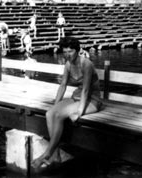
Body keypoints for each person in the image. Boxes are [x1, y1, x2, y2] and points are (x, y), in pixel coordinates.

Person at [31, 37, 103, 171]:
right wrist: (56, 104)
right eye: (64, 52)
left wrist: (79, 113)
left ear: (78, 50)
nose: (67, 55)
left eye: (70, 51)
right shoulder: (68, 64)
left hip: (92, 100)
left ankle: (47, 154)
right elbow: (63, 85)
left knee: (58, 116)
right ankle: (56, 153)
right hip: (77, 96)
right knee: (50, 113)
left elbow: (86, 89)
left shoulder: (86, 64)